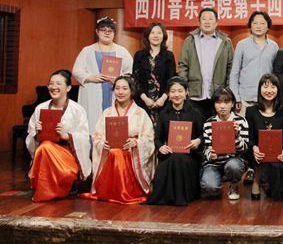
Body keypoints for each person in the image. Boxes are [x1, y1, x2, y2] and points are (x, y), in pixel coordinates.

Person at [82, 75, 154, 204]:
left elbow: (149, 138)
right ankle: (115, 191)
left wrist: (136, 143)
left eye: (125, 88)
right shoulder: (107, 113)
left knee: (117, 153)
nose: (120, 92)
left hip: (132, 155)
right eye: (117, 88)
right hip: (111, 153)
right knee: (115, 152)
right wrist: (102, 144)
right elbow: (97, 136)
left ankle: (125, 191)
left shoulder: (141, 113)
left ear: (131, 91)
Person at [26, 70, 92, 202]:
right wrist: (36, 134)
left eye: (58, 84)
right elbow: (30, 135)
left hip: (67, 153)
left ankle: (57, 188)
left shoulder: (77, 110)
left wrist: (67, 136)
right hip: (45, 152)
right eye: (51, 84)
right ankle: (45, 191)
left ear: (68, 88)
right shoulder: (40, 108)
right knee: (45, 147)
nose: (53, 87)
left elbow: (84, 138)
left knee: (46, 148)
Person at [146, 77, 205, 206]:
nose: (176, 94)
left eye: (180, 91)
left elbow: (204, 135)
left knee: (179, 158)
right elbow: (157, 138)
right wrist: (161, 147)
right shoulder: (163, 114)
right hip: (169, 154)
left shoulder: (195, 113)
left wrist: (197, 141)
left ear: (186, 92)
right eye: (173, 91)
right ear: (168, 94)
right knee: (171, 160)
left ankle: (182, 197)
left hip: (190, 155)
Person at [73, 17, 133, 131]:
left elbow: (130, 70)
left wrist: (120, 80)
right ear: (97, 31)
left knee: (114, 125)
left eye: (110, 31)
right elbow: (76, 70)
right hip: (93, 89)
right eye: (103, 30)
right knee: (93, 123)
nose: (107, 33)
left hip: (113, 90)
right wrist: (92, 77)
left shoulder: (121, 51)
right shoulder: (87, 50)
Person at [179, 7, 234, 121]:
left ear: (216, 22)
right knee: (196, 127)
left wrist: (228, 91)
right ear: (199, 22)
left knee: (217, 128)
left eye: (210, 19)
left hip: (218, 96)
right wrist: (184, 88)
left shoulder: (226, 42)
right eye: (204, 19)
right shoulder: (190, 41)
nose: (207, 22)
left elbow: (231, 68)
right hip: (195, 95)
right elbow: (183, 66)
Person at [245, 73, 283, 199]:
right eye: (265, 87)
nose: (269, 91)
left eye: (273, 87)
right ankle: (256, 180)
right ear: (260, 89)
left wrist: (282, 151)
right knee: (260, 160)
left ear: (278, 89)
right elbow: (249, 138)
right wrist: (254, 149)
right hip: (258, 153)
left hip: (277, 153)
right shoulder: (251, 111)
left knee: (281, 168)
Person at [201, 86, 249, 201]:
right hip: (214, 163)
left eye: (226, 102)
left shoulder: (241, 121)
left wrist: (236, 135)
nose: (222, 106)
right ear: (214, 104)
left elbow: (244, 150)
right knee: (209, 186)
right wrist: (210, 154)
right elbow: (206, 148)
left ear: (232, 104)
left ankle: (234, 185)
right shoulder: (208, 123)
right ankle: (217, 186)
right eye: (218, 102)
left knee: (233, 166)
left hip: (234, 160)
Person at [230, 11, 279, 118]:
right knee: (245, 127)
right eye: (255, 23)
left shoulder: (274, 46)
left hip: (267, 98)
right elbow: (234, 73)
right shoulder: (242, 45)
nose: (258, 26)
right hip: (245, 98)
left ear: (268, 26)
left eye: (262, 23)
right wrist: (236, 97)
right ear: (250, 26)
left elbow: (277, 74)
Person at [133, 22, 176, 124]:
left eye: (159, 33)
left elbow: (172, 79)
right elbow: (136, 80)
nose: (156, 36)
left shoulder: (169, 56)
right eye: (152, 33)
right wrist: (145, 99)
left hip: (164, 101)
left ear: (163, 36)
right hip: (143, 101)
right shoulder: (139, 56)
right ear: (148, 36)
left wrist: (163, 99)